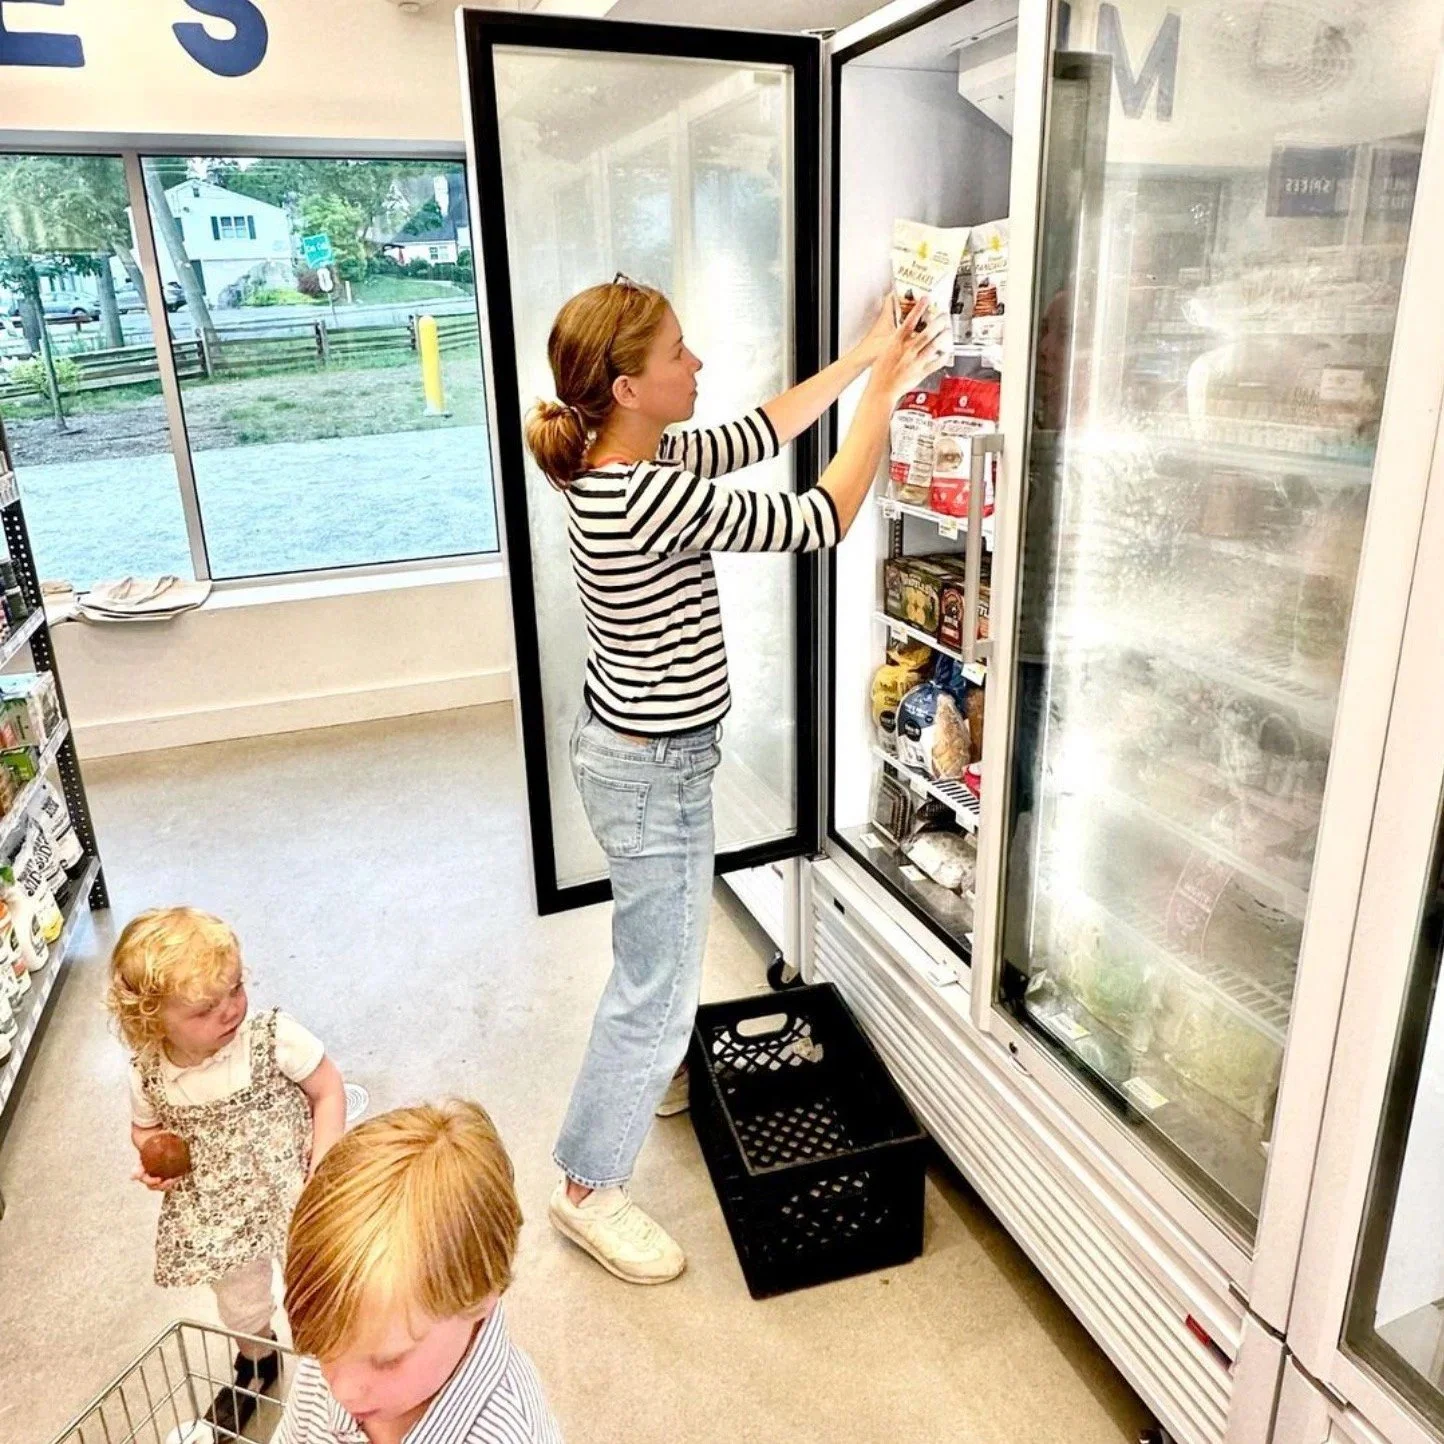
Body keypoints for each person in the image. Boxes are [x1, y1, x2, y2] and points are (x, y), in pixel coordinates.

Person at [524, 276, 951, 1284]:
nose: (697, 363)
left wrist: (862, 360)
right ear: (628, 386)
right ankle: (587, 1184)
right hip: (652, 773)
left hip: (638, 756)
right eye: (677, 351)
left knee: (655, 950)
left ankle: (653, 1073)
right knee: (658, 981)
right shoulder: (647, 490)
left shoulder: (623, 454)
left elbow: (761, 428)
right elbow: (821, 515)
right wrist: (884, 398)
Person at [106, 907, 347, 1435]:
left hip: (292, 1188)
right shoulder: (148, 1072)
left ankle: (330, 1367)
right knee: (238, 1297)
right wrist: (154, 1158)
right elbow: (145, 1130)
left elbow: (328, 1089)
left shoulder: (272, 1037)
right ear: (151, 1020)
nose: (230, 1010)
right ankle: (256, 1359)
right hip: (216, 1206)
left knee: (316, 1281)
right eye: (204, 1008)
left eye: (235, 989)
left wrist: (322, 1167)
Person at [274, 1100, 562, 1444]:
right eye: (323, 1353)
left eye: (388, 1361)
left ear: (483, 1291)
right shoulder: (340, 1344)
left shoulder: (509, 1433)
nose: (343, 1391)